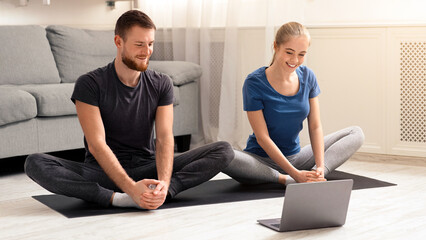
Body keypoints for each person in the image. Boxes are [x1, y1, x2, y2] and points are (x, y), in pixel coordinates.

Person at [25, 10, 234, 210]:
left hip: (147, 167)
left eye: (150, 44)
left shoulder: (162, 83)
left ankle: (160, 195)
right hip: (102, 173)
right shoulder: (89, 84)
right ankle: (120, 199)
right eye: (139, 44)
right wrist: (131, 189)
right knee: (35, 163)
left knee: (223, 150)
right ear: (119, 42)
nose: (147, 51)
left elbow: (164, 138)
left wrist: (163, 183)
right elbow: (97, 145)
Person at [223, 22, 364, 185]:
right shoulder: (254, 82)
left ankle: (313, 176)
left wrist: (319, 167)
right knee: (225, 154)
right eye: (289, 52)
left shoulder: (308, 77)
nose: (295, 60)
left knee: (356, 133)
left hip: (296, 158)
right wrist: (294, 174)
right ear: (276, 46)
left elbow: (315, 126)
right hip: (260, 162)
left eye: (301, 54)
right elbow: (262, 138)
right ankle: (284, 178)